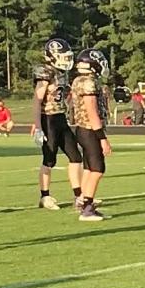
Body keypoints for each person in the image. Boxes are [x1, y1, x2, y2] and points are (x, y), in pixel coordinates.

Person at [30, 37, 84, 211]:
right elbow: (37, 100)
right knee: (49, 158)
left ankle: (79, 195)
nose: (66, 59)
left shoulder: (62, 73)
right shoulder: (45, 73)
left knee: (75, 157)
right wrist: (38, 126)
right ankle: (44, 196)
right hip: (48, 119)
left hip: (60, 118)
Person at [70, 48, 112, 221]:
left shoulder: (79, 80)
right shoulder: (88, 83)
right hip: (89, 129)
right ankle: (87, 209)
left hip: (83, 128)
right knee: (97, 169)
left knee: (89, 168)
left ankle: (84, 201)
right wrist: (102, 138)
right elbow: (92, 110)